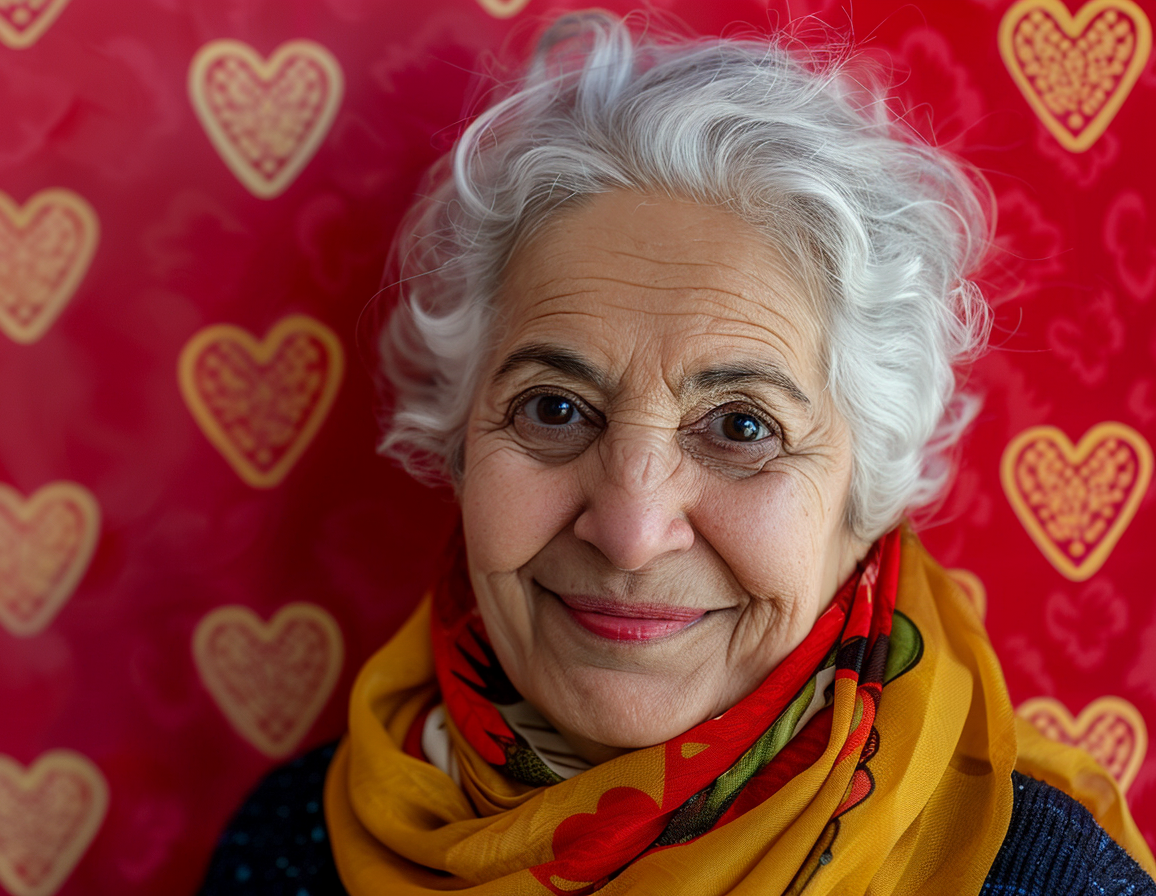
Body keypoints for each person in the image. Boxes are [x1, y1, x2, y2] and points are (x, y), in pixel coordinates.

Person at [199, 11, 1156, 895]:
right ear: (457, 447)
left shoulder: (1036, 875)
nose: (629, 531)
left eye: (742, 427)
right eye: (555, 408)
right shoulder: (293, 851)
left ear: (864, 497)